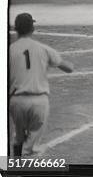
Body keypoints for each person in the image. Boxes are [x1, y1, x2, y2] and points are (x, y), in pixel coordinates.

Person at [9, 13, 74, 156]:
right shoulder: (43, 48)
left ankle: (16, 163)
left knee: (19, 138)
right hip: (39, 102)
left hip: (16, 102)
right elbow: (68, 68)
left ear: (16, 29)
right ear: (32, 29)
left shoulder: (9, 50)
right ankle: (26, 163)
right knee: (32, 147)